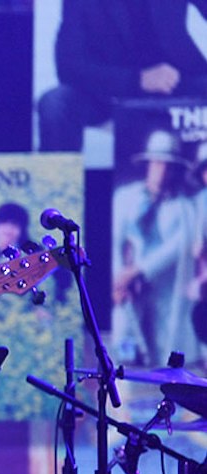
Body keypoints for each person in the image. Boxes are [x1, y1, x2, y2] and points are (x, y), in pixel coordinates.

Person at [37, 0, 207, 152]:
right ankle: (57, 186)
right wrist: (137, 80)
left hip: (175, 83)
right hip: (109, 90)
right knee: (56, 103)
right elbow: (68, 65)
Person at [112, 128, 197, 367]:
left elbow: (176, 248)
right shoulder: (125, 198)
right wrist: (120, 280)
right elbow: (116, 241)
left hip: (161, 288)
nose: (163, 170)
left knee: (163, 348)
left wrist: (139, 270)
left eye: (169, 165)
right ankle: (124, 396)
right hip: (128, 288)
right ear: (149, 163)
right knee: (125, 342)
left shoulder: (184, 209)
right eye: (158, 163)